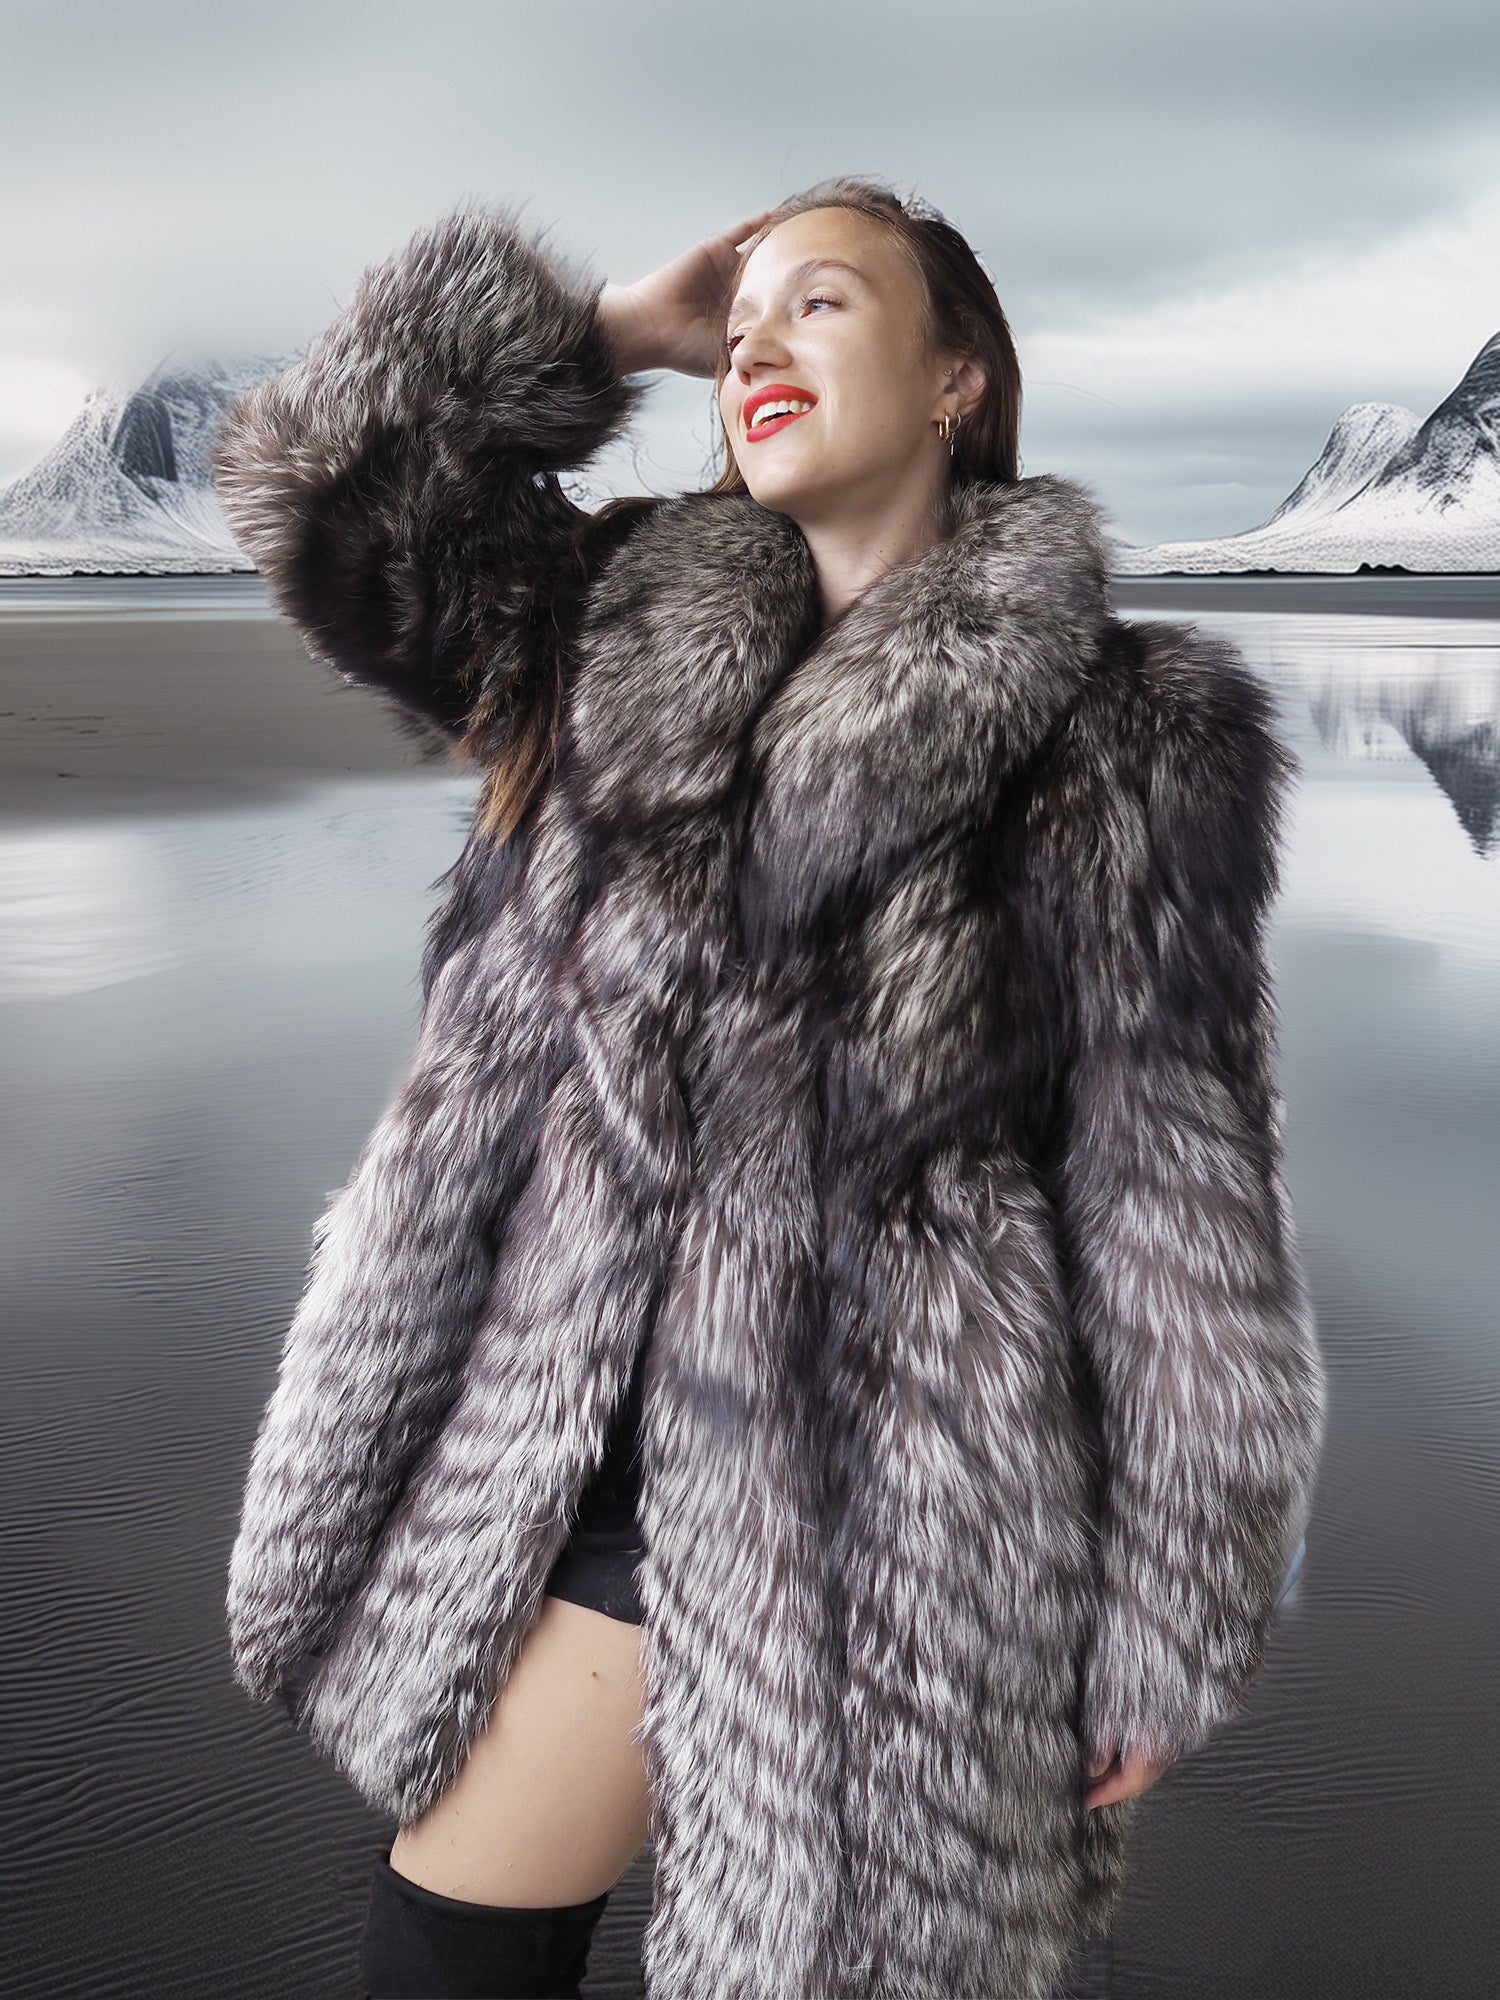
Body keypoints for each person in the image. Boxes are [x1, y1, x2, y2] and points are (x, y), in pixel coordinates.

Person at [212, 175, 1327, 2000]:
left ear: (959, 375)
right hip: (551, 1456)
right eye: (742, 324)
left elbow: (1181, 1202)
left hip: (897, 1523)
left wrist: (1173, 1610)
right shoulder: (598, 635)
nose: (755, 343)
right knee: (441, 1960)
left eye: (820, 304)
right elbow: (327, 484)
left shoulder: (1127, 734)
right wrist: (608, 338)